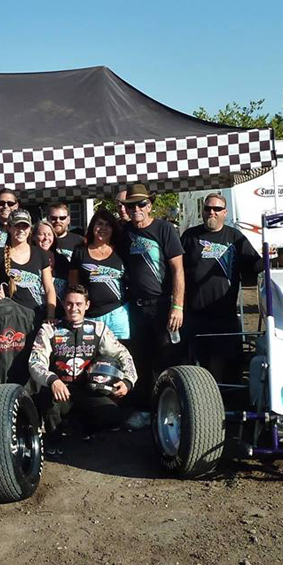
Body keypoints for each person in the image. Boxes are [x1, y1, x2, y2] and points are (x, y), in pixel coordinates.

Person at [29, 285, 137, 455]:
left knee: (113, 415)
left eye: (79, 304)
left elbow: (123, 355)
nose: (74, 308)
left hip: (87, 389)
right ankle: (53, 440)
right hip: (60, 391)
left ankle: (81, 429)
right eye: (69, 303)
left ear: (87, 305)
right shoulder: (49, 329)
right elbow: (35, 362)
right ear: (63, 304)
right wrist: (52, 380)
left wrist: (128, 381)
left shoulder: (98, 329)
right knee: (46, 395)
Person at [181, 192, 262, 384]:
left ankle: (218, 394)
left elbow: (255, 264)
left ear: (225, 212)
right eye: (208, 208)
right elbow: (177, 270)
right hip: (194, 313)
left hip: (224, 313)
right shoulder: (189, 236)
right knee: (195, 360)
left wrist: (275, 259)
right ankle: (199, 394)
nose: (212, 212)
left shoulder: (235, 237)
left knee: (222, 360)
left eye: (217, 209)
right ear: (202, 211)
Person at [121, 183, 185, 429]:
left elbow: (178, 270)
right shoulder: (125, 232)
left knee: (168, 359)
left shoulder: (164, 229)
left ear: (150, 205)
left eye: (141, 204)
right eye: (131, 206)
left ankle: (175, 409)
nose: (136, 209)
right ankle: (147, 412)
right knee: (141, 360)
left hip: (163, 306)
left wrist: (177, 306)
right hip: (136, 308)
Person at [0, 208, 56, 324]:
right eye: (17, 226)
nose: (21, 230)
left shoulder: (41, 255)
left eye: (25, 226)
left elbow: (49, 289)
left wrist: (50, 315)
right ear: (9, 228)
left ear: (30, 229)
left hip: (37, 317)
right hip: (9, 319)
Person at [69, 208, 130, 340]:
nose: (103, 228)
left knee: (122, 351)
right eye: (99, 224)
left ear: (113, 229)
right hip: (90, 316)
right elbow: (73, 285)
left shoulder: (121, 250)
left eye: (107, 225)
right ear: (92, 226)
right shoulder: (80, 251)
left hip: (118, 314)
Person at [32, 220, 70, 314]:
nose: (46, 238)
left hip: (60, 314)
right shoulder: (27, 260)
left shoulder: (62, 260)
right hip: (34, 312)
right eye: (42, 234)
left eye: (49, 234)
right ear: (33, 237)